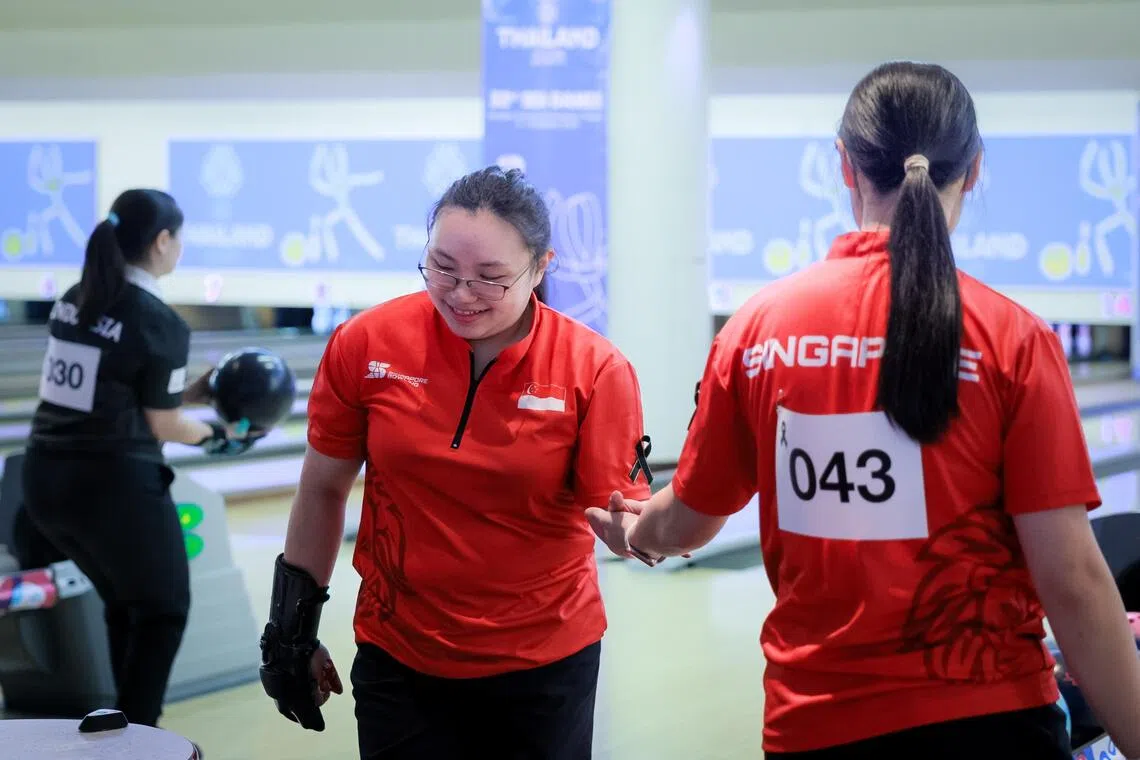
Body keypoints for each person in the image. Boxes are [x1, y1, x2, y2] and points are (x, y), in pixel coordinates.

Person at [589, 61, 1140, 758]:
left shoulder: (757, 331)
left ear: (844, 168)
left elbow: (693, 517)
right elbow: (1072, 579)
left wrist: (641, 531)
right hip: (992, 717)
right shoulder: (1014, 340)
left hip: (816, 724)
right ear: (972, 171)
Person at [258, 166, 655, 759]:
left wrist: (654, 527)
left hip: (543, 665)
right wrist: (290, 634)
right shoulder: (366, 344)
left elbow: (619, 514)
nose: (461, 293)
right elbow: (321, 491)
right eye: (442, 267)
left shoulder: (594, 370)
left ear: (541, 267)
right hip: (399, 655)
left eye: (490, 278)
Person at [20, 188, 253, 733]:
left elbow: (107, 390)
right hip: (111, 486)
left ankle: (118, 730)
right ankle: (139, 737)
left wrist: (187, 394)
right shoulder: (159, 321)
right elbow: (161, 425)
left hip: (45, 480)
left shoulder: (79, 296)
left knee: (129, 604)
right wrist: (222, 437)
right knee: (163, 609)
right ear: (162, 241)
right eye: (181, 239)